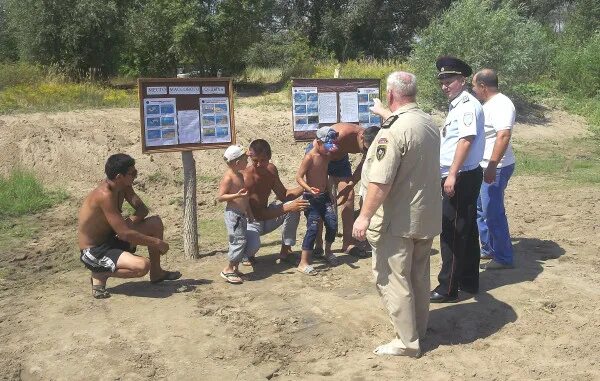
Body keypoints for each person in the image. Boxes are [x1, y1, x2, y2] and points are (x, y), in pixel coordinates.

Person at [352, 71, 441, 357]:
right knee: (419, 275)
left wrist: (364, 216)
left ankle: (406, 342)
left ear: (391, 95)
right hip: (424, 215)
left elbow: (381, 180)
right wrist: (386, 115)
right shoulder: (428, 121)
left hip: (398, 219)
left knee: (392, 277)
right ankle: (418, 328)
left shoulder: (393, 130)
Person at [78, 153, 180, 299]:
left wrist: (128, 223)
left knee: (155, 223)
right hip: (95, 251)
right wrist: (157, 243)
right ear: (119, 176)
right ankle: (101, 273)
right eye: (132, 173)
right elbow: (125, 234)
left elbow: (142, 209)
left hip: (112, 238)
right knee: (142, 266)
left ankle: (157, 273)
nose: (135, 176)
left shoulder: (123, 186)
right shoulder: (104, 195)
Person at [430, 56, 485, 303]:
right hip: (462, 174)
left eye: (449, 80)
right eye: (442, 80)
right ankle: (468, 280)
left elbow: (466, 140)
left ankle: (447, 287)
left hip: (460, 176)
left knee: (452, 232)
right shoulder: (457, 104)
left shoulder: (466, 105)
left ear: (462, 80)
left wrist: (452, 174)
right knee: (466, 228)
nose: (444, 85)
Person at [471, 69, 516, 270]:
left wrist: (492, 165)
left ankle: (504, 256)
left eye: (474, 86)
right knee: (481, 209)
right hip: (484, 166)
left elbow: (503, 135)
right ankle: (488, 247)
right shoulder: (489, 105)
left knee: (493, 211)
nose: (473, 90)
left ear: (482, 86)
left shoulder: (502, 105)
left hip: (495, 167)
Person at [313, 122, 377, 258]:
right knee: (319, 196)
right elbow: (322, 153)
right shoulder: (342, 135)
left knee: (349, 195)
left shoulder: (372, 142)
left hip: (340, 159)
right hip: (320, 155)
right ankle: (318, 243)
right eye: (365, 149)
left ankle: (348, 243)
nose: (366, 152)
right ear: (361, 137)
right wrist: (325, 185)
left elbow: (363, 165)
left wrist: (349, 185)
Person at [241, 139, 310, 264]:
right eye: (255, 160)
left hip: (266, 217)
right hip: (251, 222)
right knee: (252, 248)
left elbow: (284, 195)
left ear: (269, 157)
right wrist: (287, 208)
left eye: (263, 160)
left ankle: (286, 251)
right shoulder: (247, 178)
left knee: (294, 207)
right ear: (250, 157)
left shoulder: (271, 170)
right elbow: (258, 214)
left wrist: (307, 186)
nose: (258, 164)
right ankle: (245, 253)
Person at [295, 127, 340, 275]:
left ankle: (328, 252)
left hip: (324, 196)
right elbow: (299, 177)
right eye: (326, 146)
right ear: (318, 142)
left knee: (332, 223)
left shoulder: (326, 155)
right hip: (311, 198)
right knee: (312, 228)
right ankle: (303, 262)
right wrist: (308, 189)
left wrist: (331, 194)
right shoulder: (310, 157)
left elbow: (325, 175)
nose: (329, 149)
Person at [217, 145, 254, 284]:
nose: (248, 162)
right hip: (233, 215)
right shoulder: (229, 178)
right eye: (245, 159)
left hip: (241, 215)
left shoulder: (240, 175)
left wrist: (249, 212)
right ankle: (228, 269)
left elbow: (245, 197)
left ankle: (235, 269)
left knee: (241, 240)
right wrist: (235, 195)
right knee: (238, 241)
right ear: (238, 162)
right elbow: (220, 197)